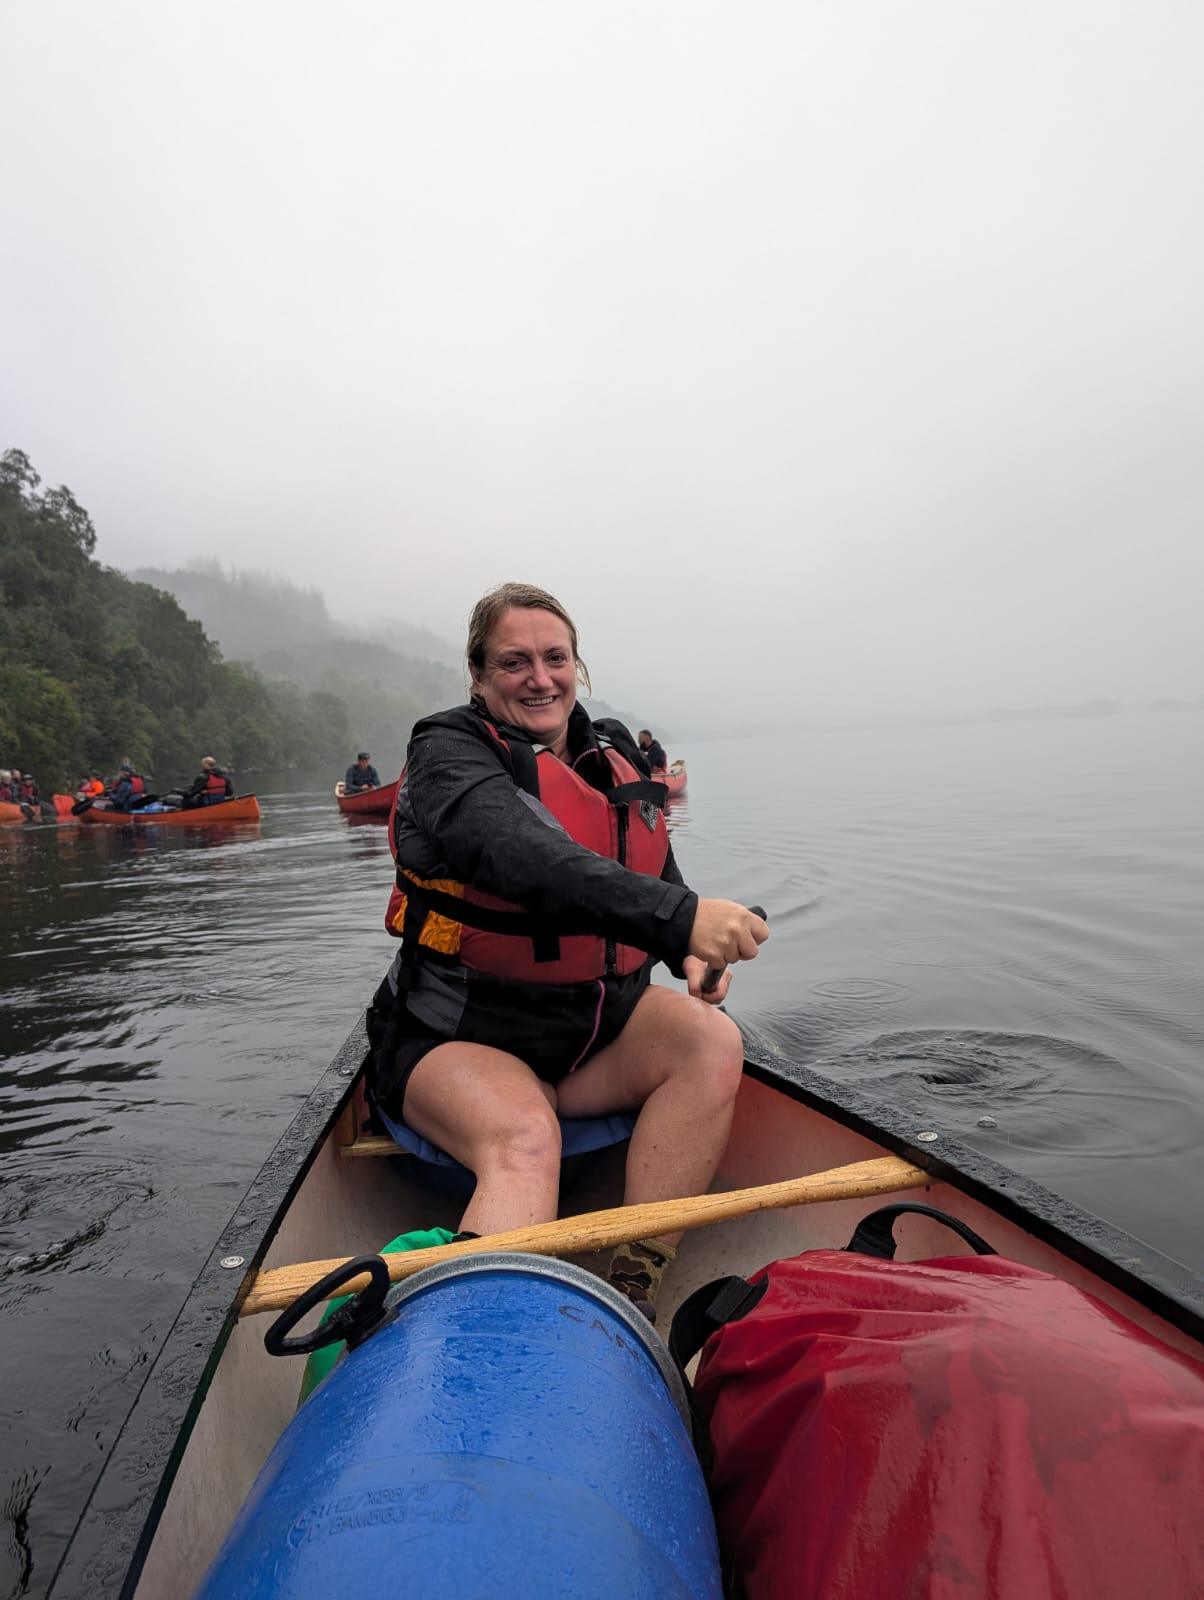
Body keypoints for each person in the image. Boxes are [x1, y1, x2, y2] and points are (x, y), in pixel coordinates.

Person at [366, 582, 768, 1321]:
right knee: (525, 1136)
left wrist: (688, 957)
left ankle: (633, 1282)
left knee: (710, 1040)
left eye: (555, 658)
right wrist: (680, 920)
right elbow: (514, 852)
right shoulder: (446, 752)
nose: (539, 677)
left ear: (577, 667)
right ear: (479, 676)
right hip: (460, 1037)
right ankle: (482, 1345)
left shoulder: (609, 753)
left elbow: (652, 871)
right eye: (514, 662)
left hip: (590, 1037)